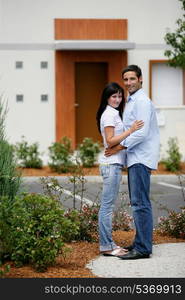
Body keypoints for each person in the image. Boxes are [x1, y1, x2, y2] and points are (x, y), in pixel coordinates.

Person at [105, 65, 160, 259]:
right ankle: (139, 242)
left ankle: (143, 248)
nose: (128, 83)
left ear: (141, 79)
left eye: (132, 79)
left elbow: (142, 132)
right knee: (137, 202)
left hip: (141, 157)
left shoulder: (142, 101)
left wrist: (119, 147)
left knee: (140, 203)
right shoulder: (132, 100)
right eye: (125, 79)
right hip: (135, 156)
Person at [96, 82, 144, 257]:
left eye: (119, 96)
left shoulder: (113, 113)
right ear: (107, 98)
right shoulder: (109, 115)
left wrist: (119, 148)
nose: (117, 99)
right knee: (107, 207)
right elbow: (110, 140)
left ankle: (107, 244)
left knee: (107, 206)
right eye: (113, 96)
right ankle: (107, 246)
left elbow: (115, 144)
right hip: (111, 165)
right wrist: (131, 130)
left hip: (113, 163)